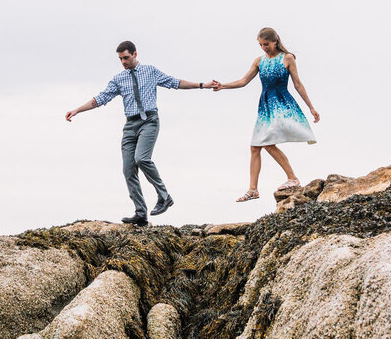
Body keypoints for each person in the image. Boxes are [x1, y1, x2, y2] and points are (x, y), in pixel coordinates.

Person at [66, 41, 212, 226]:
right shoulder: (119, 79)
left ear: (135, 54)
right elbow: (100, 98)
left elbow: (175, 83)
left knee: (142, 159)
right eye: (120, 59)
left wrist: (201, 85)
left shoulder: (150, 71)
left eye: (126, 57)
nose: (123, 62)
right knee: (128, 169)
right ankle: (140, 213)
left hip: (149, 121)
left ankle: (164, 196)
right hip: (130, 126)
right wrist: (77, 110)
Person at [211, 28, 319, 201]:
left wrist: (311, 107)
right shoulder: (259, 61)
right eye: (261, 45)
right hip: (265, 107)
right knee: (255, 147)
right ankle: (253, 189)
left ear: (275, 41)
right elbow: (243, 81)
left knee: (267, 143)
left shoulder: (287, 58)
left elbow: (298, 84)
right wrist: (223, 85)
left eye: (266, 44)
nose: (264, 48)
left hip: (281, 104)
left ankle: (292, 178)